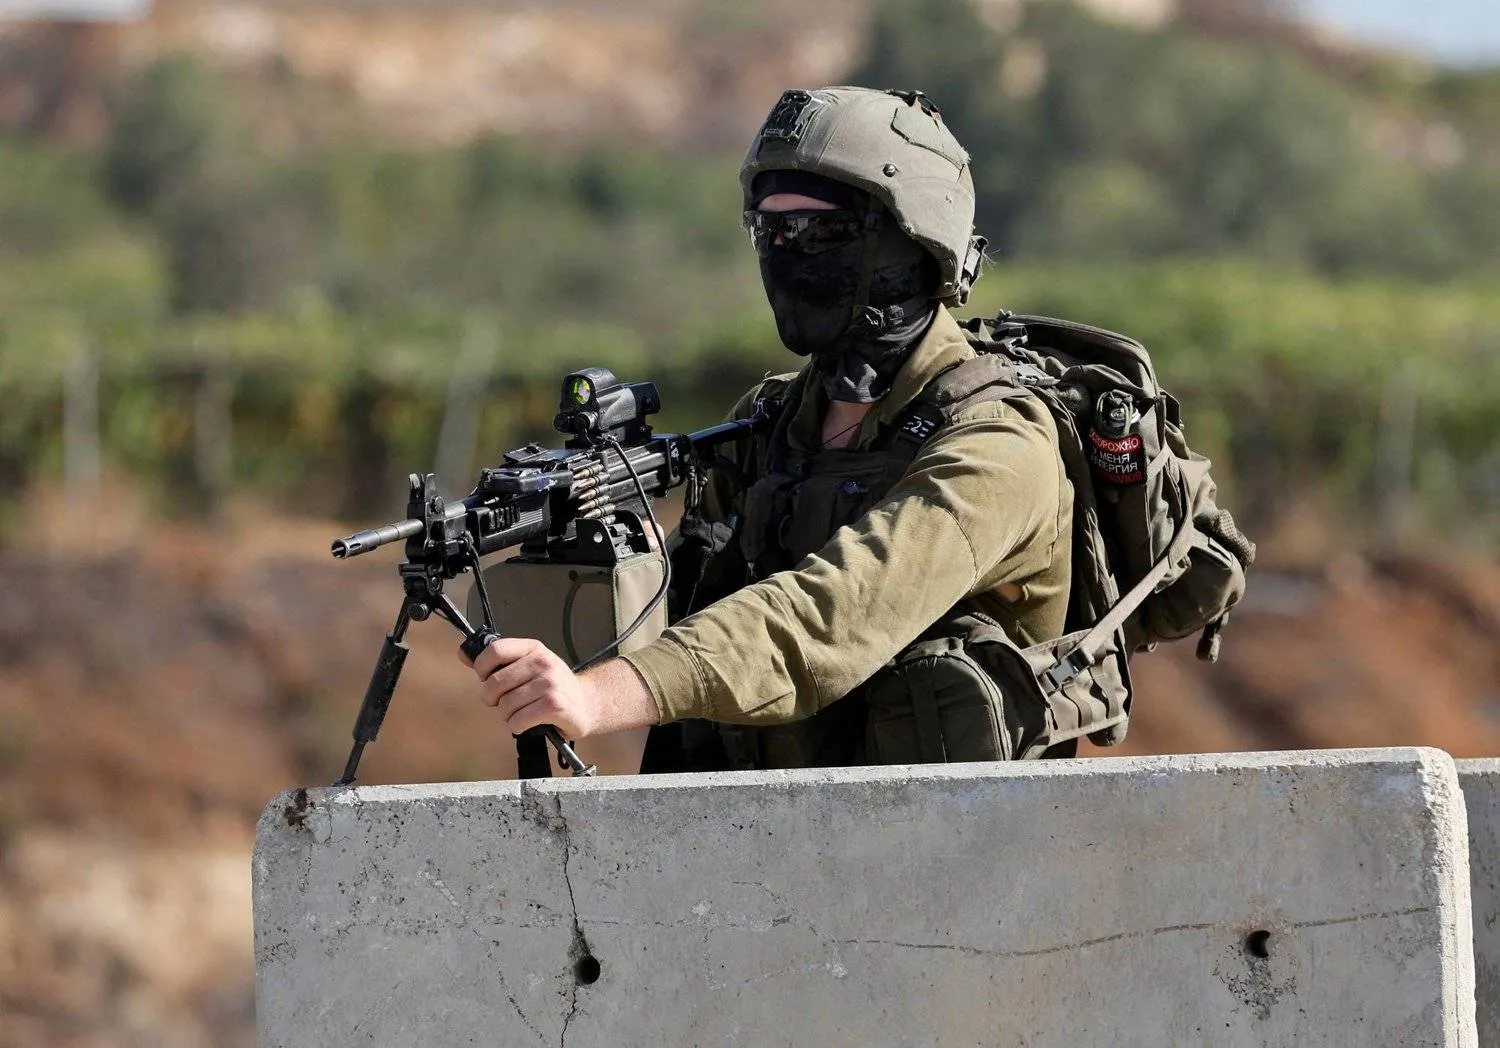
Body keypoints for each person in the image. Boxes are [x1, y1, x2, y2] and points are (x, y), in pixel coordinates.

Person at [462, 86, 1076, 769]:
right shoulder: (773, 422)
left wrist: (599, 699)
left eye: (819, 232)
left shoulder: (998, 443)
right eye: (770, 231)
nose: (788, 254)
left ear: (912, 240)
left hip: (957, 849)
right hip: (773, 840)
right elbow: (689, 605)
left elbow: (831, 615)